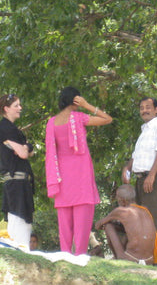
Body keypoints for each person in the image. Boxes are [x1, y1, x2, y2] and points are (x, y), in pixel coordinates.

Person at [45, 86, 112, 255]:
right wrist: (87, 105)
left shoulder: (51, 122)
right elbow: (107, 119)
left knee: (65, 227)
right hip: (81, 177)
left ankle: (65, 259)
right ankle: (80, 257)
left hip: (61, 180)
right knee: (82, 224)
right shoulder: (79, 117)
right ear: (76, 100)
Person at [121, 97, 157, 263]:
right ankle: (146, 258)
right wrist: (127, 168)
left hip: (154, 177)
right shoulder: (144, 131)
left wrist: (151, 175)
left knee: (152, 219)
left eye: (148, 107)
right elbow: (136, 157)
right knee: (140, 220)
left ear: (156, 109)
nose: (144, 110)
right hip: (140, 179)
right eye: (142, 107)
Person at [0, 94, 35, 247]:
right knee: (18, 221)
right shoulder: (5, 128)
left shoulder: (13, 129)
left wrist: (26, 147)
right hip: (16, 182)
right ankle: (19, 255)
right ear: (6, 109)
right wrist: (26, 147)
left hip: (19, 182)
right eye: (16, 106)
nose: (20, 108)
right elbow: (23, 153)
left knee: (22, 222)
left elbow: (27, 151)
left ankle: (20, 253)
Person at [95, 184, 157, 265]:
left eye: (118, 199)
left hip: (131, 259)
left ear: (123, 201)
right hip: (149, 260)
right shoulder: (145, 211)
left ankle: (118, 257)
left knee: (108, 226)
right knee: (124, 229)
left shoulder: (121, 211)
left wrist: (113, 224)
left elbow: (98, 225)